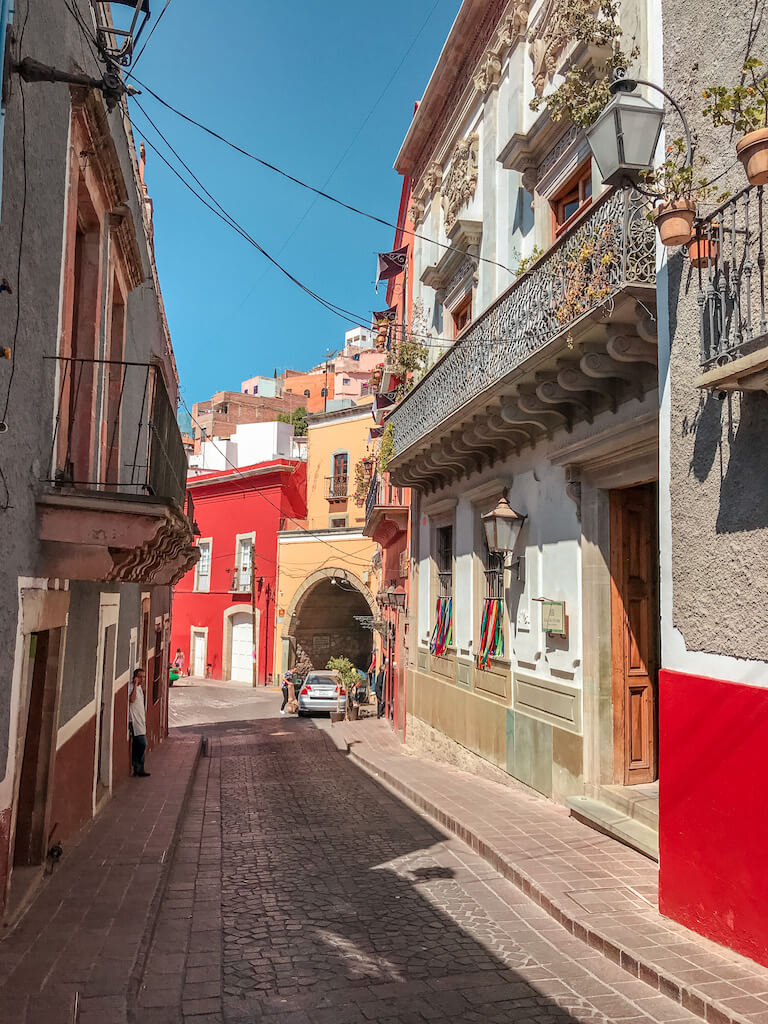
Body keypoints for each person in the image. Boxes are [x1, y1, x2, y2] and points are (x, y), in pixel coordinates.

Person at [128, 668, 150, 777]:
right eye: (140, 677)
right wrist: (135, 685)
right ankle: (137, 765)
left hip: (140, 720)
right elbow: (131, 700)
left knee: (138, 745)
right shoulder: (132, 688)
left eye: (144, 677)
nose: (142, 679)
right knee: (142, 743)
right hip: (134, 721)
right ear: (135, 677)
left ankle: (139, 768)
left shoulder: (141, 688)